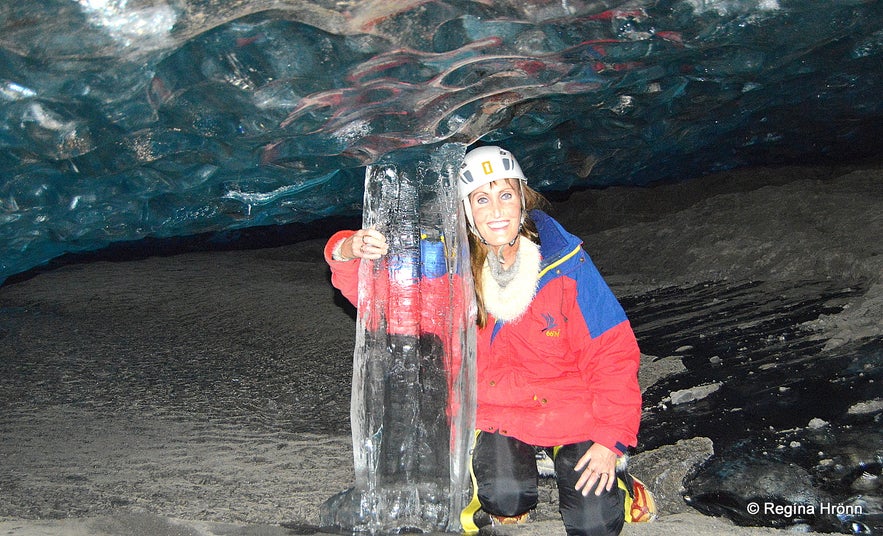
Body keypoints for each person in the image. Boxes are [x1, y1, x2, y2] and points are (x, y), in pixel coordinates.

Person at [324, 145, 650, 536]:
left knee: (594, 525)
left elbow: (611, 353)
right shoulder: (455, 276)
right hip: (496, 414)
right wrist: (348, 251)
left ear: (522, 201)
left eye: (505, 195)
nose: (496, 210)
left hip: (570, 409)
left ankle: (626, 489)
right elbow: (389, 305)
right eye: (481, 198)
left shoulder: (567, 267)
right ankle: (515, 481)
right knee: (505, 501)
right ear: (465, 211)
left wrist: (610, 440)